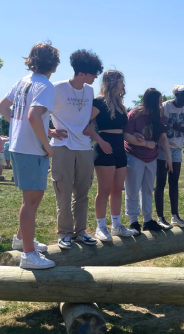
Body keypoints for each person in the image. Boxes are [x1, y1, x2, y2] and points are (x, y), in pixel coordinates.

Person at [0, 42, 60, 269]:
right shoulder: (45, 86)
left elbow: (3, 107)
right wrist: (47, 145)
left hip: (19, 147)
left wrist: (18, 129)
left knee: (33, 198)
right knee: (31, 200)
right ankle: (28, 254)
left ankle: (20, 239)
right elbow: (34, 117)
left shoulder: (23, 81)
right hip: (31, 149)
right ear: (54, 63)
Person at [50, 49, 103, 250]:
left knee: (83, 192)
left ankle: (80, 232)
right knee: (63, 192)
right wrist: (49, 131)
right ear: (82, 73)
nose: (96, 77)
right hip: (62, 146)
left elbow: (90, 114)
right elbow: (37, 112)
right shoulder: (56, 88)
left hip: (84, 147)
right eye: (93, 73)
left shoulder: (89, 91)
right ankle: (64, 233)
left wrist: (92, 126)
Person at [85, 70, 137, 241]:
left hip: (119, 149)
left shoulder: (120, 103)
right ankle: (100, 227)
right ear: (112, 82)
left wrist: (137, 138)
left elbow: (123, 131)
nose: (123, 85)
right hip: (104, 147)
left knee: (117, 189)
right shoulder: (98, 102)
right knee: (104, 190)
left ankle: (117, 226)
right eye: (121, 82)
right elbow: (87, 127)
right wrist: (100, 141)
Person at [124, 88, 172, 235]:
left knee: (148, 189)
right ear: (150, 101)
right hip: (134, 155)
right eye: (158, 101)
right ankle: (133, 221)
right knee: (132, 189)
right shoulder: (134, 114)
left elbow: (163, 137)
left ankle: (148, 220)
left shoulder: (159, 114)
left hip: (152, 157)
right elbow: (126, 135)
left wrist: (169, 156)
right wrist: (144, 144)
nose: (161, 104)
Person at [155, 85, 184, 228]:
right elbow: (156, 124)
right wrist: (165, 127)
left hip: (177, 149)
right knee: (160, 182)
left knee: (174, 183)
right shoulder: (165, 106)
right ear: (176, 94)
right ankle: (160, 217)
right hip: (162, 147)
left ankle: (175, 216)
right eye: (183, 96)